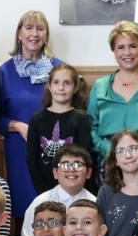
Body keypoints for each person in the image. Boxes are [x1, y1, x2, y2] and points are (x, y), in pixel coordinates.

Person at [0, 11, 63, 223]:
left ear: (46, 35)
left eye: (40, 29)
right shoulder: (4, 72)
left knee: (54, 208)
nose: (34, 34)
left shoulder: (59, 68)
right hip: (19, 149)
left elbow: (74, 108)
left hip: (55, 146)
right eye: (29, 28)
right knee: (24, 208)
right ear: (19, 33)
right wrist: (17, 126)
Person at [86, 21, 138, 165]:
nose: (127, 53)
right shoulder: (100, 86)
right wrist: (110, 150)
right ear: (114, 52)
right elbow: (90, 127)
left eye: (133, 46)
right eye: (121, 47)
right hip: (108, 160)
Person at [25, 63, 93, 196]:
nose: (61, 87)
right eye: (56, 82)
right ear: (49, 86)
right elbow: (32, 160)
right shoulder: (36, 120)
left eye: (67, 83)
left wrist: (74, 189)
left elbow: (85, 157)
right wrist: (44, 192)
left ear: (75, 88)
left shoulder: (83, 119)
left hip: (75, 188)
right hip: (45, 189)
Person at [19, 143, 96, 236]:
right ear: (55, 172)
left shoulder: (96, 203)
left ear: (88, 172)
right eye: (64, 165)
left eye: (77, 164)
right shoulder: (40, 202)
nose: (71, 169)